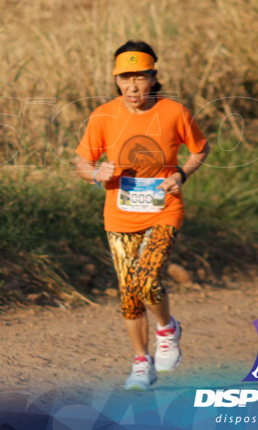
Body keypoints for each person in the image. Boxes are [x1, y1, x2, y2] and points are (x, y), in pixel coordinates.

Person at [73, 41, 209, 391]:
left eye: (140, 77)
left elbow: (200, 148)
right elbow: (82, 163)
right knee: (129, 293)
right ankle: (140, 362)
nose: (132, 86)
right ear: (116, 80)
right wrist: (95, 175)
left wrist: (181, 174)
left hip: (164, 208)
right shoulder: (103, 115)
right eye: (125, 77)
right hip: (119, 214)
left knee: (147, 280)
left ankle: (166, 329)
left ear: (154, 77)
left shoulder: (174, 112)